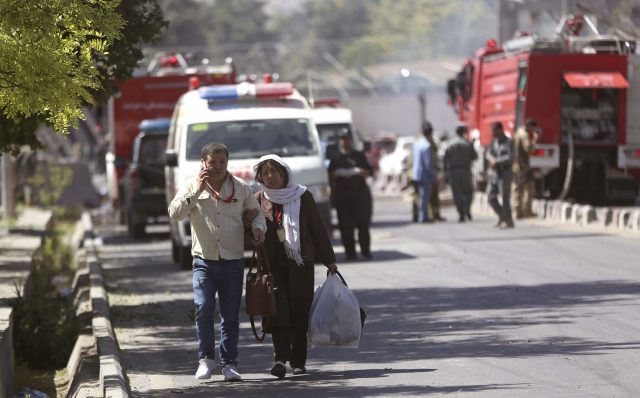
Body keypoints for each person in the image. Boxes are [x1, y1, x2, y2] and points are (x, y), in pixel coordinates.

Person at [168, 142, 266, 382]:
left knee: (230, 315)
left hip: (232, 261)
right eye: (212, 162)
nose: (218, 167)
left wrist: (258, 229)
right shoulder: (193, 185)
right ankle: (205, 359)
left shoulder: (241, 188)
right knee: (203, 308)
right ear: (204, 163)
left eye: (222, 162)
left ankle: (229, 363)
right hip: (203, 260)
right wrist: (195, 192)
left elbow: (256, 215)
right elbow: (175, 213)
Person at [253, 154, 338, 379]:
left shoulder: (303, 196)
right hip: (272, 266)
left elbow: (318, 229)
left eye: (275, 172)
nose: (271, 177)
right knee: (278, 310)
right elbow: (249, 228)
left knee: (300, 310)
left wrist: (329, 259)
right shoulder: (258, 199)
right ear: (260, 177)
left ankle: (298, 360)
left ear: (285, 173)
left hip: (300, 263)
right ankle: (280, 359)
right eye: (266, 173)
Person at [328, 128, 374, 261]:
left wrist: (357, 171)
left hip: (360, 195)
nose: (345, 141)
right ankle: (350, 253)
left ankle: (365, 251)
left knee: (363, 224)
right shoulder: (335, 158)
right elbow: (330, 176)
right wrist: (339, 173)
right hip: (343, 196)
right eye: (342, 139)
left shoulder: (358, 155)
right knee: (345, 225)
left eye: (347, 138)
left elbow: (368, 172)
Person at [444, 123, 478, 222]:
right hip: (466, 171)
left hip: (454, 172)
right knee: (468, 192)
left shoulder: (450, 144)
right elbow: (475, 157)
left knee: (457, 194)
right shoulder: (467, 144)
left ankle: (461, 213)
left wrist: (446, 174)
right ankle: (466, 209)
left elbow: (446, 160)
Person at [487, 122, 515, 228]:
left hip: (505, 173)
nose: (493, 133)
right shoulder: (494, 142)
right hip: (495, 173)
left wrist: (497, 161)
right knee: (490, 196)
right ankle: (502, 216)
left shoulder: (508, 142)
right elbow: (488, 153)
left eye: (494, 130)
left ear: (500, 130)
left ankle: (509, 221)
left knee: (505, 198)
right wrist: (491, 159)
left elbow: (511, 157)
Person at [513, 118, 540, 219]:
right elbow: (528, 148)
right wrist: (535, 139)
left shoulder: (518, 132)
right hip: (523, 166)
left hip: (517, 165)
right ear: (530, 127)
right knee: (529, 187)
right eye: (533, 128)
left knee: (517, 189)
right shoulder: (524, 135)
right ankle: (527, 211)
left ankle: (518, 212)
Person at [412, 121, 437, 223]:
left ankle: (421, 216)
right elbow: (428, 163)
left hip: (416, 174)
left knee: (420, 196)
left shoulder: (417, 144)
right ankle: (423, 217)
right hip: (425, 175)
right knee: (424, 196)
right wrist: (434, 175)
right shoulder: (427, 146)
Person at [426, 126, 446, 221]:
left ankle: (436, 214)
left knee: (434, 195)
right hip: (428, 173)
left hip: (433, 172)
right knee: (428, 195)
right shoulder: (425, 144)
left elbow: (436, 157)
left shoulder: (432, 143)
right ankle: (429, 215)